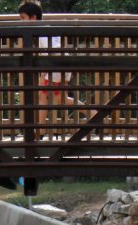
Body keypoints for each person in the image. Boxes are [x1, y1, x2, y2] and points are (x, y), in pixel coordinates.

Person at [18, 0, 91, 136]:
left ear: (33, 17)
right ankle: (92, 112)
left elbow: (48, 53)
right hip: (61, 65)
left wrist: (42, 75)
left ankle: (40, 129)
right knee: (58, 98)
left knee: (45, 96)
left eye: (23, 18)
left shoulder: (41, 31)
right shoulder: (44, 28)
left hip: (57, 66)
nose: (22, 22)